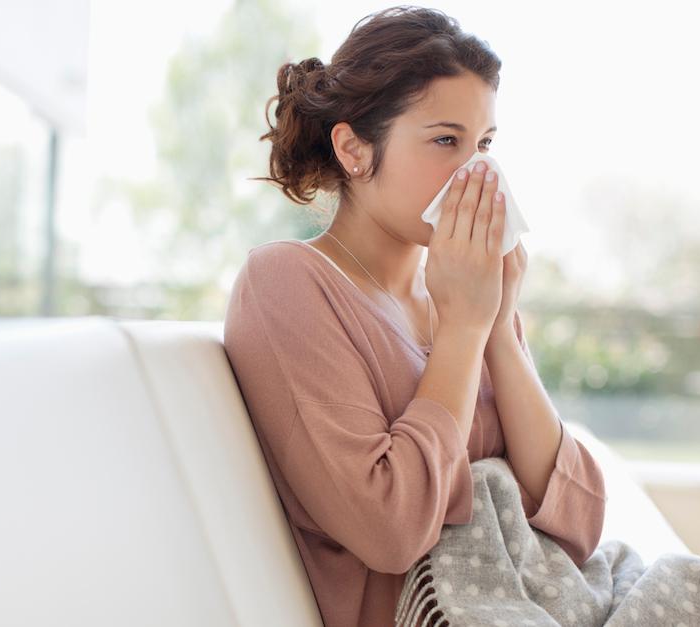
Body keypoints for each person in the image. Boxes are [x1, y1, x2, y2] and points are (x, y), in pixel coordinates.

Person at [222, 6, 607, 626]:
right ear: (353, 149)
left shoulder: (465, 296)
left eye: (484, 145)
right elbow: (391, 529)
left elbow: (580, 520)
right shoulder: (287, 283)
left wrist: (498, 330)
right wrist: (462, 332)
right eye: (445, 141)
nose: (477, 172)